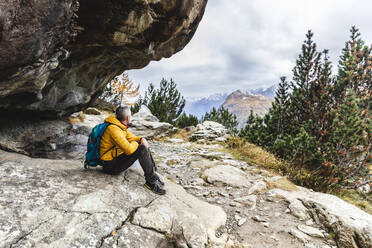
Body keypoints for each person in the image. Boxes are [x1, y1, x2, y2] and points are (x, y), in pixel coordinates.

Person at [99, 106, 165, 195]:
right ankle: (151, 182)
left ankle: (153, 175)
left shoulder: (120, 126)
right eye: (131, 115)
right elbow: (129, 150)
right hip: (110, 166)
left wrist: (142, 139)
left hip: (115, 158)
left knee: (143, 144)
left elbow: (132, 137)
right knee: (141, 148)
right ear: (128, 118)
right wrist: (137, 143)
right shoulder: (113, 129)